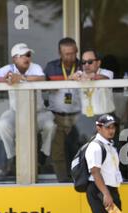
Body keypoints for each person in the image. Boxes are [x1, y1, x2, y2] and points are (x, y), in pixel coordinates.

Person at [0, 43, 56, 176]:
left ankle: (43, 155)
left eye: (29, 55)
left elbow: (42, 78)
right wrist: (3, 79)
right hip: (16, 112)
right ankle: (12, 158)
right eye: (24, 55)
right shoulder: (9, 68)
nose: (28, 58)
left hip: (38, 112)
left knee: (50, 125)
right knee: (3, 125)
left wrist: (21, 78)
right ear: (15, 59)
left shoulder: (35, 67)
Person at [66, 113, 124, 213]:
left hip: (111, 189)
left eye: (113, 127)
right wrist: (106, 194)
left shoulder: (109, 145)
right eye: (107, 127)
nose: (111, 130)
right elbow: (95, 172)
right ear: (99, 128)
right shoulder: (95, 146)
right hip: (99, 190)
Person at [44, 37, 81, 182]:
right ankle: (63, 182)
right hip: (57, 115)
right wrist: (67, 80)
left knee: (78, 149)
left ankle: (80, 181)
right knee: (57, 152)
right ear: (60, 53)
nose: (70, 57)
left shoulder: (83, 66)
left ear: (76, 51)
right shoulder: (51, 67)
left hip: (79, 116)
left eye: (73, 53)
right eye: (66, 54)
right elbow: (42, 85)